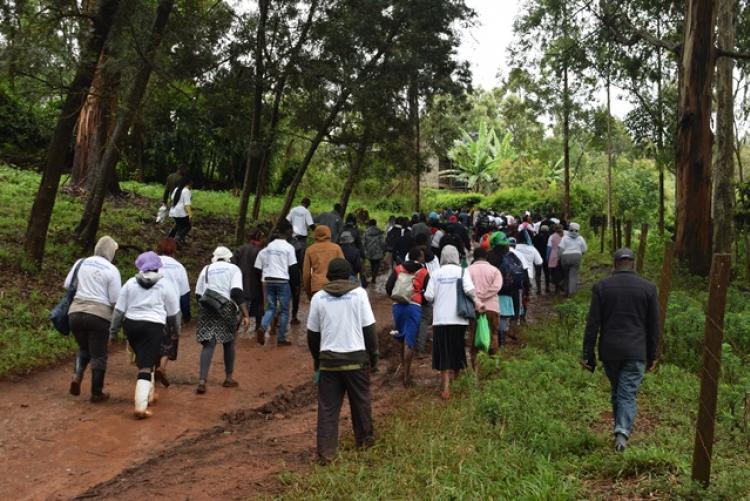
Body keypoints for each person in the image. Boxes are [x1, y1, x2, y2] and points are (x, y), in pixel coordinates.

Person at [582, 248, 660, 452]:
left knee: (619, 390)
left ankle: (620, 432)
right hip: (636, 350)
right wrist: (653, 355)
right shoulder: (648, 288)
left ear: (614, 264)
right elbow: (653, 326)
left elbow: (593, 324)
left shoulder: (602, 286)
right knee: (626, 392)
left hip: (610, 351)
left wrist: (587, 354)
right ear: (632, 263)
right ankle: (622, 432)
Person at [307, 258, 378, 464]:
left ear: (328, 276)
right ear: (350, 276)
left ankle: (326, 453)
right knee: (361, 402)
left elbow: (312, 335)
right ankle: (365, 444)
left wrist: (317, 360)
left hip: (329, 362)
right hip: (356, 360)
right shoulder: (359, 294)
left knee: (328, 408)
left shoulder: (319, 298)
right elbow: (369, 331)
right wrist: (373, 357)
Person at [109, 252, 181, 418]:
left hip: (131, 325)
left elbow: (119, 311)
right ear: (157, 267)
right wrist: (175, 331)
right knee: (146, 365)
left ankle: (150, 394)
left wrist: (113, 332)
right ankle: (140, 407)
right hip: (153, 326)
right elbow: (174, 313)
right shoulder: (165, 284)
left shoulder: (130, 283)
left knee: (144, 359)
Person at [65, 236, 121, 402]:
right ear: (110, 252)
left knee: (84, 348)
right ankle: (97, 392)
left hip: (75, 313)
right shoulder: (111, 270)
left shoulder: (81, 262)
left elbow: (68, 284)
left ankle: (77, 376)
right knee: (98, 354)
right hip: (98, 316)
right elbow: (115, 298)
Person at [195, 246, 250, 394]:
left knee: (208, 344)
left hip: (208, 306)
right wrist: (245, 314)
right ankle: (228, 378)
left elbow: (198, 294)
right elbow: (236, 292)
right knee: (229, 342)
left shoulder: (206, 269)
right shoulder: (233, 269)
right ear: (228, 257)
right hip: (226, 307)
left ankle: (202, 380)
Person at [424, 245, 475, 400]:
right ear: (456, 257)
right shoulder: (462, 271)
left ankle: (446, 388)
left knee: (444, 352)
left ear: (443, 257)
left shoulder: (435, 274)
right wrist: (478, 302)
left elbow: (428, 296)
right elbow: (469, 290)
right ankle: (457, 379)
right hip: (459, 319)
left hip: (440, 320)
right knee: (457, 349)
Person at [385, 246, 429, 387]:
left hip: (398, 306)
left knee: (402, 337)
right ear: (420, 257)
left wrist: (396, 298)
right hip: (413, 307)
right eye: (422, 256)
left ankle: (403, 368)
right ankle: (406, 377)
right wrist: (421, 301)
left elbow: (388, 286)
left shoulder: (398, 269)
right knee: (409, 341)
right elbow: (428, 294)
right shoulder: (423, 272)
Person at [154, 238, 191, 388]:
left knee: (155, 336)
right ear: (174, 250)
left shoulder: (152, 263)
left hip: (153, 306)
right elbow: (184, 294)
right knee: (169, 338)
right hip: (172, 308)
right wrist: (186, 314)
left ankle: (151, 368)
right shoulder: (179, 267)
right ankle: (162, 366)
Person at [254, 221, 297, 346]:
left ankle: (262, 326)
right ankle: (281, 338)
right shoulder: (289, 247)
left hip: (268, 280)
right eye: (291, 231)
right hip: (282, 281)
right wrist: (295, 286)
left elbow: (257, 267)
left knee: (271, 307)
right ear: (288, 231)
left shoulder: (267, 248)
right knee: (284, 310)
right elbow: (293, 268)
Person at [488, 232, 526, 345]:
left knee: (491, 316)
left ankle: (492, 340)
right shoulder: (511, 256)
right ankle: (502, 341)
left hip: (491, 292)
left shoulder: (489, 256)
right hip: (507, 291)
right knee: (503, 317)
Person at [467, 247, 503, 368]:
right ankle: (493, 365)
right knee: (493, 334)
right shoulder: (495, 270)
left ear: (474, 257)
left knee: (473, 337)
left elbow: (466, 289)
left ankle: (475, 368)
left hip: (474, 309)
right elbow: (497, 287)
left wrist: (477, 298)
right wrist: (485, 295)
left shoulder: (467, 270)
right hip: (492, 308)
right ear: (487, 256)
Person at [233, 229, 265, 344]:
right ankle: (258, 328)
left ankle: (234, 329)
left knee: (242, 307)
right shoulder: (259, 252)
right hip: (255, 284)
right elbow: (260, 270)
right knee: (259, 307)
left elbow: (233, 263)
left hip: (240, 283)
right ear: (258, 239)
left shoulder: (240, 249)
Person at [287, 197, 315, 323]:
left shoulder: (293, 210)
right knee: (300, 260)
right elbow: (311, 225)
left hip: (292, 238)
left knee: (290, 257)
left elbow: (287, 221)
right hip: (302, 239)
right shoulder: (306, 212)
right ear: (308, 205)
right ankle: (299, 276)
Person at [303, 225, 345, 299]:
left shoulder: (310, 250)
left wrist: (308, 291)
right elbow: (344, 268)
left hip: (316, 287)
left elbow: (306, 273)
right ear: (329, 234)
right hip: (334, 286)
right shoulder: (336, 248)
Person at [558, 222, 588, 296]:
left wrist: (559, 258)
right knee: (573, 275)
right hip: (576, 257)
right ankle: (571, 293)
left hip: (565, 257)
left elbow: (560, 249)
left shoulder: (564, 237)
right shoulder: (580, 238)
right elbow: (584, 249)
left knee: (566, 275)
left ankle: (566, 292)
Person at [168, 176, 192, 243]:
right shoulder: (186, 191)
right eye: (191, 183)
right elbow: (187, 205)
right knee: (187, 227)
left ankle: (170, 237)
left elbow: (171, 199)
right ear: (188, 183)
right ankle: (177, 239)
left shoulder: (177, 189)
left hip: (173, 211)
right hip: (181, 213)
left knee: (178, 225)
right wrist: (190, 215)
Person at [363, 219, 386, 285]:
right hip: (378, 251)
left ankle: (373, 276)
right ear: (375, 224)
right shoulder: (380, 232)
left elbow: (364, 242)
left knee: (372, 264)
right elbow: (383, 242)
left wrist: (365, 250)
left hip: (370, 251)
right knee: (377, 264)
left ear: (369, 224)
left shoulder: (366, 232)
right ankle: (374, 277)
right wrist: (383, 250)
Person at [533, 225, 551, 293]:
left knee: (538, 274)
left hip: (538, 257)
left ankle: (539, 289)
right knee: (547, 273)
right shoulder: (549, 237)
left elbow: (533, 245)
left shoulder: (536, 237)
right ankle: (547, 287)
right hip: (546, 257)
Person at [547, 224, 564, 293]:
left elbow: (549, 248)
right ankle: (562, 285)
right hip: (563, 254)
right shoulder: (565, 236)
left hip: (554, 255)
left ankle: (557, 287)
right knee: (562, 271)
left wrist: (547, 257)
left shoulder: (551, 237)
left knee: (554, 272)